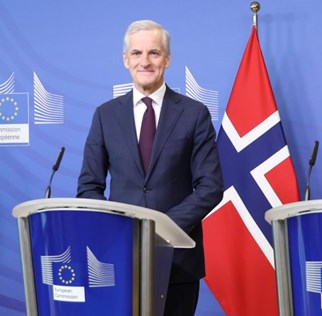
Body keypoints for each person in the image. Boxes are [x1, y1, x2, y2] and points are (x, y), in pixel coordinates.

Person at [77, 20, 224, 315]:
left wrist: (158, 229)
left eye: (154, 53)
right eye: (137, 53)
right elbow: (88, 189)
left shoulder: (194, 114)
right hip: (119, 261)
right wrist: (124, 231)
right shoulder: (105, 116)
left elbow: (210, 187)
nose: (145, 61)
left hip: (178, 264)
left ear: (167, 59)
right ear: (125, 60)